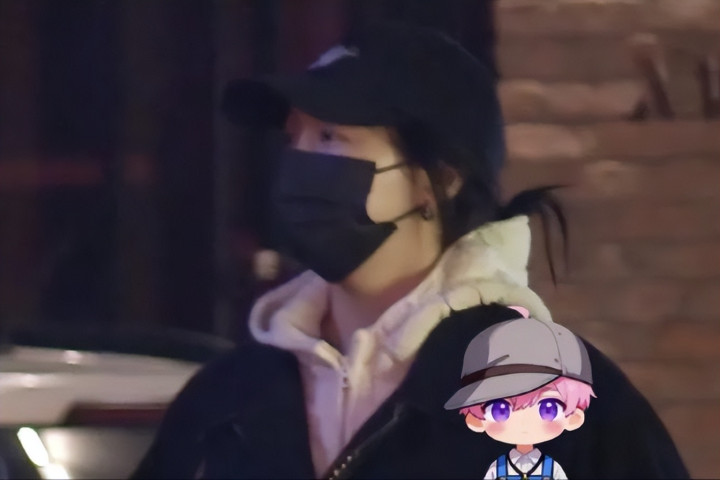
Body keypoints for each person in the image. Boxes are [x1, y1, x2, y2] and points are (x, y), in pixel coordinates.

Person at [132, 22, 688, 479]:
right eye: (294, 137)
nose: (300, 162)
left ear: (438, 179)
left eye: (330, 138)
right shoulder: (225, 402)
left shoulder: (560, 402)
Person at [445, 315, 596, 480]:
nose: (524, 423)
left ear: (573, 418)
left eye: (549, 409)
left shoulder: (551, 468)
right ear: (476, 420)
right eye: (500, 410)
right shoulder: (498, 468)